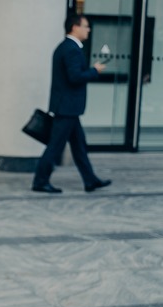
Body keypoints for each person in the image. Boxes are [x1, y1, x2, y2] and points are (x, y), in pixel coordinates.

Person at [32, 13, 112, 194]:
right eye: (86, 26)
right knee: (55, 146)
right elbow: (75, 77)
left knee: (79, 146)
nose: (88, 29)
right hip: (67, 107)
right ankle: (40, 181)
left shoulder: (67, 47)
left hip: (68, 107)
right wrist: (94, 70)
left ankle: (90, 180)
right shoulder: (71, 49)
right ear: (75, 27)